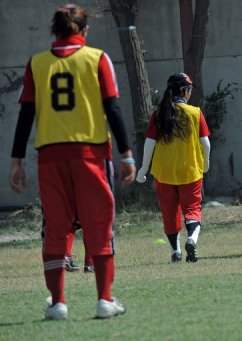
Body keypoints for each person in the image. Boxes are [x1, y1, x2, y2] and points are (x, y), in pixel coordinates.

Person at [8, 4, 135, 320]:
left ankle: (58, 303)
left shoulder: (36, 64)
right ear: (84, 31)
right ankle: (104, 299)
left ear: (55, 31)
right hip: (91, 154)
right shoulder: (97, 59)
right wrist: (126, 155)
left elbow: (25, 115)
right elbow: (113, 109)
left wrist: (16, 161)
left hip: (50, 158)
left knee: (56, 228)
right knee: (99, 224)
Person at [136, 73, 211, 263]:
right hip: (190, 171)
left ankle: (175, 252)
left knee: (169, 212)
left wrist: (144, 169)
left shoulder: (159, 113)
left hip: (164, 172)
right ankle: (192, 239)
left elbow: (149, 143)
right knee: (193, 209)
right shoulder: (195, 112)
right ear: (185, 90)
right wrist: (206, 163)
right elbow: (206, 144)